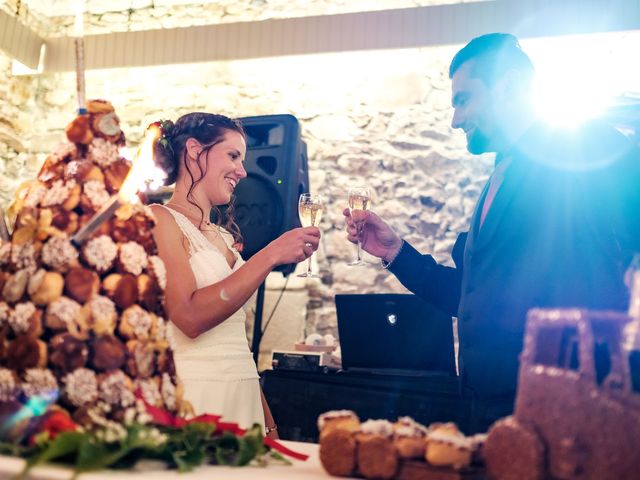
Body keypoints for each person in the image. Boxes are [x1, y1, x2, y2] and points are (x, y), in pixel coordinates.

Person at [344, 33, 640, 432]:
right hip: (486, 409)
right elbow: (471, 298)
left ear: (510, 88)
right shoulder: (499, 174)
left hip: (565, 412)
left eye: (464, 100)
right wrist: (396, 252)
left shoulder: (583, 145)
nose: (456, 119)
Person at [150, 112, 321, 438]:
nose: (242, 171)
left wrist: (267, 419)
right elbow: (189, 318)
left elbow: (235, 341)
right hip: (197, 398)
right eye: (232, 156)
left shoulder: (225, 237)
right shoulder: (160, 220)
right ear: (194, 150)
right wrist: (270, 255)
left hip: (243, 398)